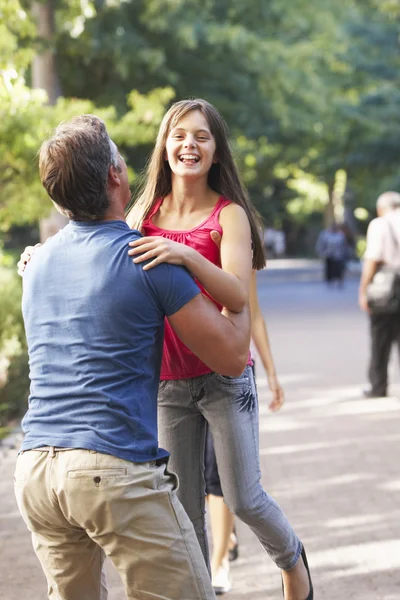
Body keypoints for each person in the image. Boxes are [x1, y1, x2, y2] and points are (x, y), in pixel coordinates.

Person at [15, 114, 253, 600]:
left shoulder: (35, 263)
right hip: (111, 470)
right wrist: (239, 295)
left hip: (36, 471)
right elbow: (231, 357)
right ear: (114, 177)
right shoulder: (147, 259)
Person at [126, 98, 313, 600]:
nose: (190, 144)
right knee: (184, 512)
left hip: (226, 380)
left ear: (216, 150)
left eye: (202, 136)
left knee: (244, 498)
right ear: (165, 146)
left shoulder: (229, 216)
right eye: (180, 134)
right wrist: (44, 255)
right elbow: (106, 265)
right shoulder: (142, 214)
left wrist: (185, 253)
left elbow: (236, 292)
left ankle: (292, 558)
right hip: (168, 382)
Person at [204, 268, 285, 595]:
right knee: (193, 476)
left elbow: (255, 314)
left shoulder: (235, 241)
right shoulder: (156, 231)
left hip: (227, 374)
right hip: (175, 376)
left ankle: (219, 560)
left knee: (219, 476)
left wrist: (271, 373)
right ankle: (225, 536)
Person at [359, 191, 400, 398]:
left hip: (386, 288)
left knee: (380, 339)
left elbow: (372, 259)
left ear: (382, 207)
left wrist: (363, 290)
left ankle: (379, 386)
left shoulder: (380, 224)